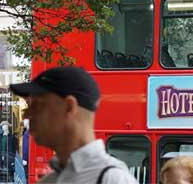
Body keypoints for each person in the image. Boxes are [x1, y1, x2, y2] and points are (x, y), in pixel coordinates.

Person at [9, 66, 137, 183]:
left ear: (69, 107)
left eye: (38, 105)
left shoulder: (113, 179)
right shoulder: (49, 181)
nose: (26, 115)